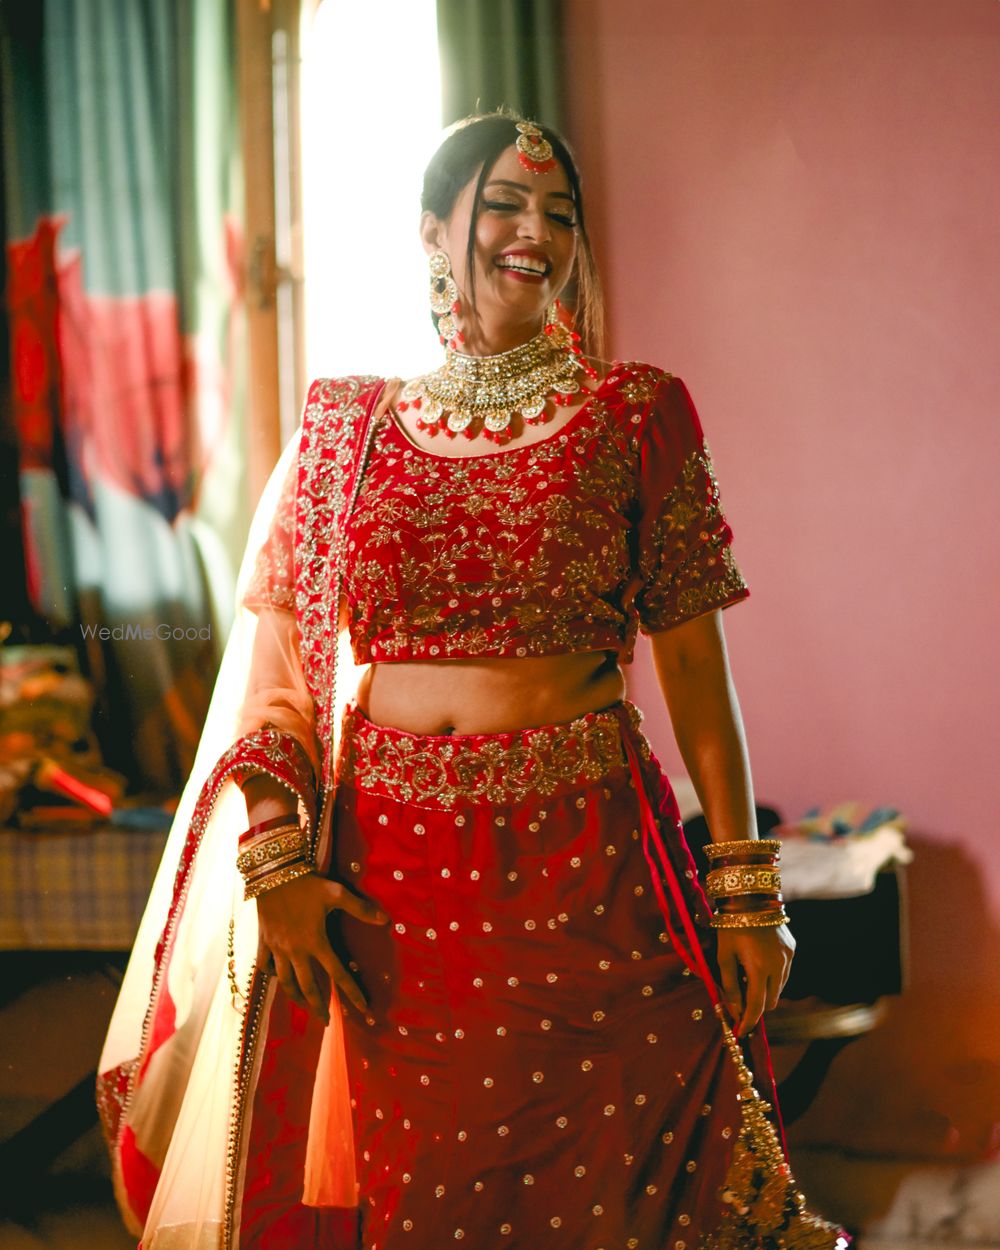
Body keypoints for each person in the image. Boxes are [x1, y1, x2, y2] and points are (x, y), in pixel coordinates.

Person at [99, 112, 849, 1249]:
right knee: (431, 1194)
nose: (533, 232)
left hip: (588, 863)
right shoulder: (345, 429)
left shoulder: (635, 414)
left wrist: (749, 889)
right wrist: (277, 861)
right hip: (393, 895)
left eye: (559, 214)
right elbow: (278, 673)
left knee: (638, 1174)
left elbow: (697, 667)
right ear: (432, 232)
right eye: (503, 204)